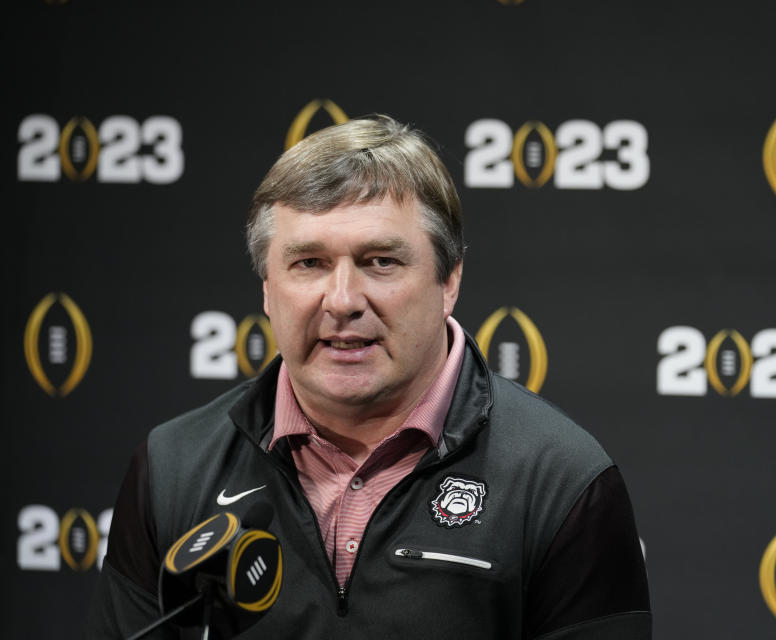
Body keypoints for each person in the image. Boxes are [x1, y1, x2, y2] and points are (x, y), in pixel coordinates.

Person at [86, 115, 651, 639]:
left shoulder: (564, 480)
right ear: (265, 287)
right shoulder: (173, 467)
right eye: (308, 263)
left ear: (449, 280)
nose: (343, 300)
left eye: (381, 261)